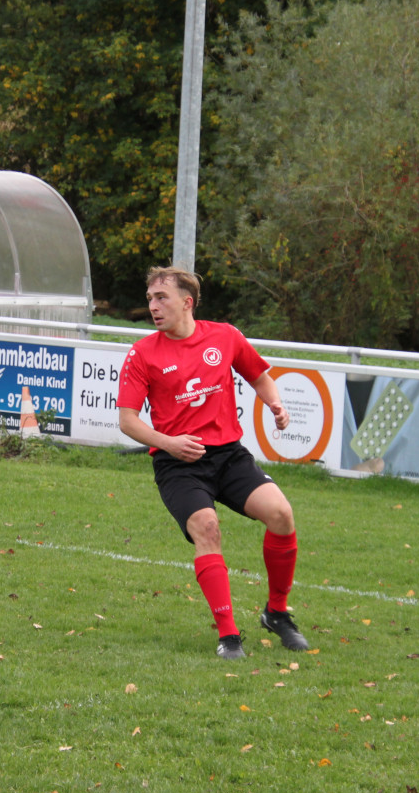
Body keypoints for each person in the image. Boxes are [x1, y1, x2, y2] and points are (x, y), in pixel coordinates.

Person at [116, 265, 310, 659]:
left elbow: (259, 376)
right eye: (150, 298)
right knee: (208, 527)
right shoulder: (143, 353)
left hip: (228, 456)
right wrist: (169, 444)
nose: (152, 306)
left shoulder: (224, 336)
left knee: (281, 515)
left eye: (161, 298)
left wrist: (275, 402)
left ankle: (276, 613)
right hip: (178, 464)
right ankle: (229, 636)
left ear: (187, 302)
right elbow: (128, 421)